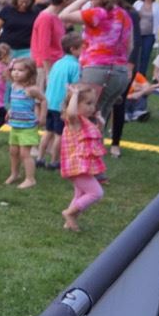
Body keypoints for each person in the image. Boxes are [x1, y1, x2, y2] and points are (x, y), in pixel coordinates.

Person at [59, 0, 133, 130]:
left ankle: (81, 146)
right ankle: (96, 145)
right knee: (100, 118)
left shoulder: (98, 13)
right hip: (119, 73)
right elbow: (129, 46)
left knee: (83, 117)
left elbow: (63, 15)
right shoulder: (124, 15)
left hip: (97, 70)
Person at [60, 85, 106, 232]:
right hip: (76, 165)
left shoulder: (85, 122)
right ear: (74, 104)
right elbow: (71, 113)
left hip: (83, 166)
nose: (92, 107)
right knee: (96, 193)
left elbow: (93, 138)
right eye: (88, 103)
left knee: (80, 194)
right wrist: (74, 94)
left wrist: (100, 125)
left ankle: (69, 223)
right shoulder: (74, 121)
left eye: (93, 103)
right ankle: (69, 213)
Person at [41, 32, 83, 170]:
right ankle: (54, 161)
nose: (83, 50)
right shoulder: (75, 66)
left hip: (49, 102)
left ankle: (40, 158)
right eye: (81, 48)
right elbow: (75, 86)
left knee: (48, 131)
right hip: (61, 105)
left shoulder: (58, 63)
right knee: (59, 134)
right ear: (73, 49)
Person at [3, 58, 46, 189]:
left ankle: (30, 179)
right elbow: (16, 102)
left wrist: (42, 117)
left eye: (20, 70)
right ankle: (14, 174)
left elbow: (43, 100)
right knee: (13, 151)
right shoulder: (14, 86)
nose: (16, 72)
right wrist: (10, 110)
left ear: (30, 72)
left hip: (28, 126)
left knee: (24, 153)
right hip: (16, 125)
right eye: (14, 69)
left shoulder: (32, 89)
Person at [131, 0, 159, 76]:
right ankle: (133, 73)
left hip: (150, 34)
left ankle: (141, 75)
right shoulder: (138, 3)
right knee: (135, 53)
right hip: (137, 33)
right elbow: (132, 15)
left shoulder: (157, 6)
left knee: (145, 54)